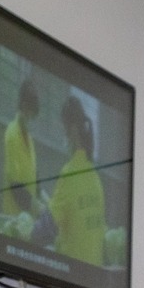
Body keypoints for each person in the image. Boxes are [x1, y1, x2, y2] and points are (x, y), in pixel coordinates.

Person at [50, 92, 106, 265]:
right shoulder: (95, 177)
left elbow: (50, 223)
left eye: (64, 130)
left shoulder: (70, 172)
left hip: (72, 270)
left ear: (72, 131)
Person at [0, 78, 40, 219]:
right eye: (30, 113)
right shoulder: (12, 134)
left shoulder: (30, 139)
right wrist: (37, 207)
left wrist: (45, 201)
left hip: (28, 219)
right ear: (23, 106)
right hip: (14, 217)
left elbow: (35, 177)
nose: (31, 119)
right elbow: (14, 184)